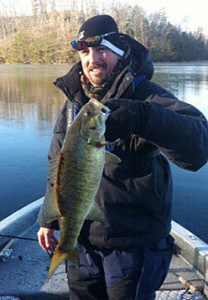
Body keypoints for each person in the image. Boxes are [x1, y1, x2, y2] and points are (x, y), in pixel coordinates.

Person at [37, 15, 208, 300]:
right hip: (82, 241)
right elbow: (57, 165)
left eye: (102, 49)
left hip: (132, 246)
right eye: (85, 52)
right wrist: (47, 218)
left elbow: (198, 149)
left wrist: (143, 117)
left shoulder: (147, 98)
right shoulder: (73, 104)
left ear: (120, 51)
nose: (93, 59)